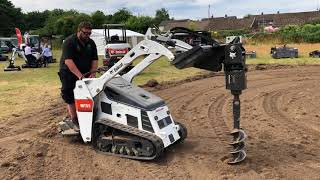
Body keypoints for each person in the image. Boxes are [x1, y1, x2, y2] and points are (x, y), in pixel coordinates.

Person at [58, 21, 98, 132]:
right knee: (70, 96)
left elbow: (94, 59)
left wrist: (93, 74)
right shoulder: (69, 42)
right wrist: (80, 77)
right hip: (69, 73)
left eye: (89, 33)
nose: (87, 36)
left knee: (87, 94)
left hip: (85, 73)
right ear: (78, 31)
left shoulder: (91, 43)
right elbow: (68, 61)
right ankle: (75, 120)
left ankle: (86, 115)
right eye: (85, 33)